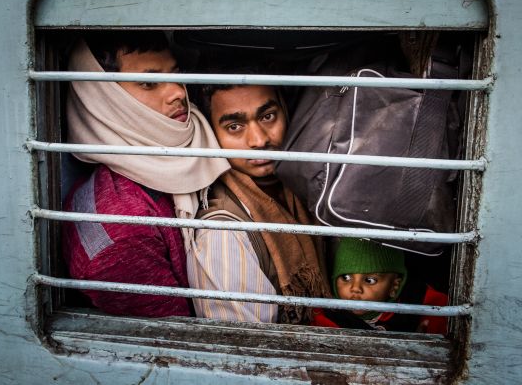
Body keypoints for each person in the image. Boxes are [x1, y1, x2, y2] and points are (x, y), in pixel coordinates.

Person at [62, 31, 230, 318]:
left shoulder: (203, 143)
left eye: (176, 74)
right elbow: (182, 346)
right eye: (150, 83)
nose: (178, 91)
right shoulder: (121, 233)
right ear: (104, 99)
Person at [187, 81, 330, 324]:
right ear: (212, 134)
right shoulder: (223, 235)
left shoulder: (301, 186)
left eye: (267, 116)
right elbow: (242, 347)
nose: (258, 140)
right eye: (234, 126)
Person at [311, 238, 448, 334]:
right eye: (346, 277)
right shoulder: (326, 314)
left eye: (370, 280)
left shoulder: (420, 304)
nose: (355, 288)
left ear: (394, 286)